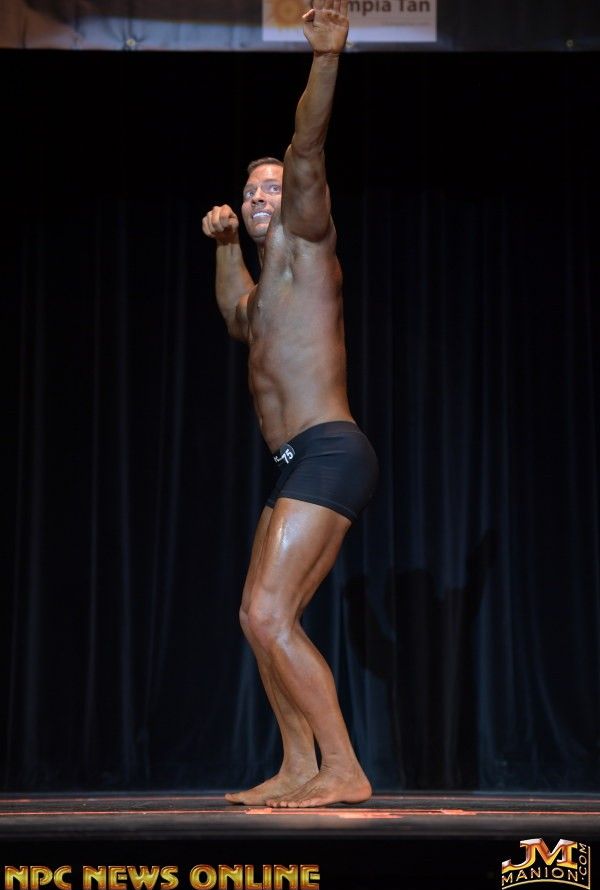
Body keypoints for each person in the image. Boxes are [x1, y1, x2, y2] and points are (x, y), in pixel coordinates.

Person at [202, 0, 378, 809]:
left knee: (271, 614)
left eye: (270, 185)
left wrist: (326, 59)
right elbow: (237, 319)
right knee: (256, 616)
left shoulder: (307, 241)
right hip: (294, 461)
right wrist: (222, 247)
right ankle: (299, 765)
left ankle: (342, 768)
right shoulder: (263, 291)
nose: (259, 193)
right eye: (250, 188)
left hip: (329, 449)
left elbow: (307, 147)